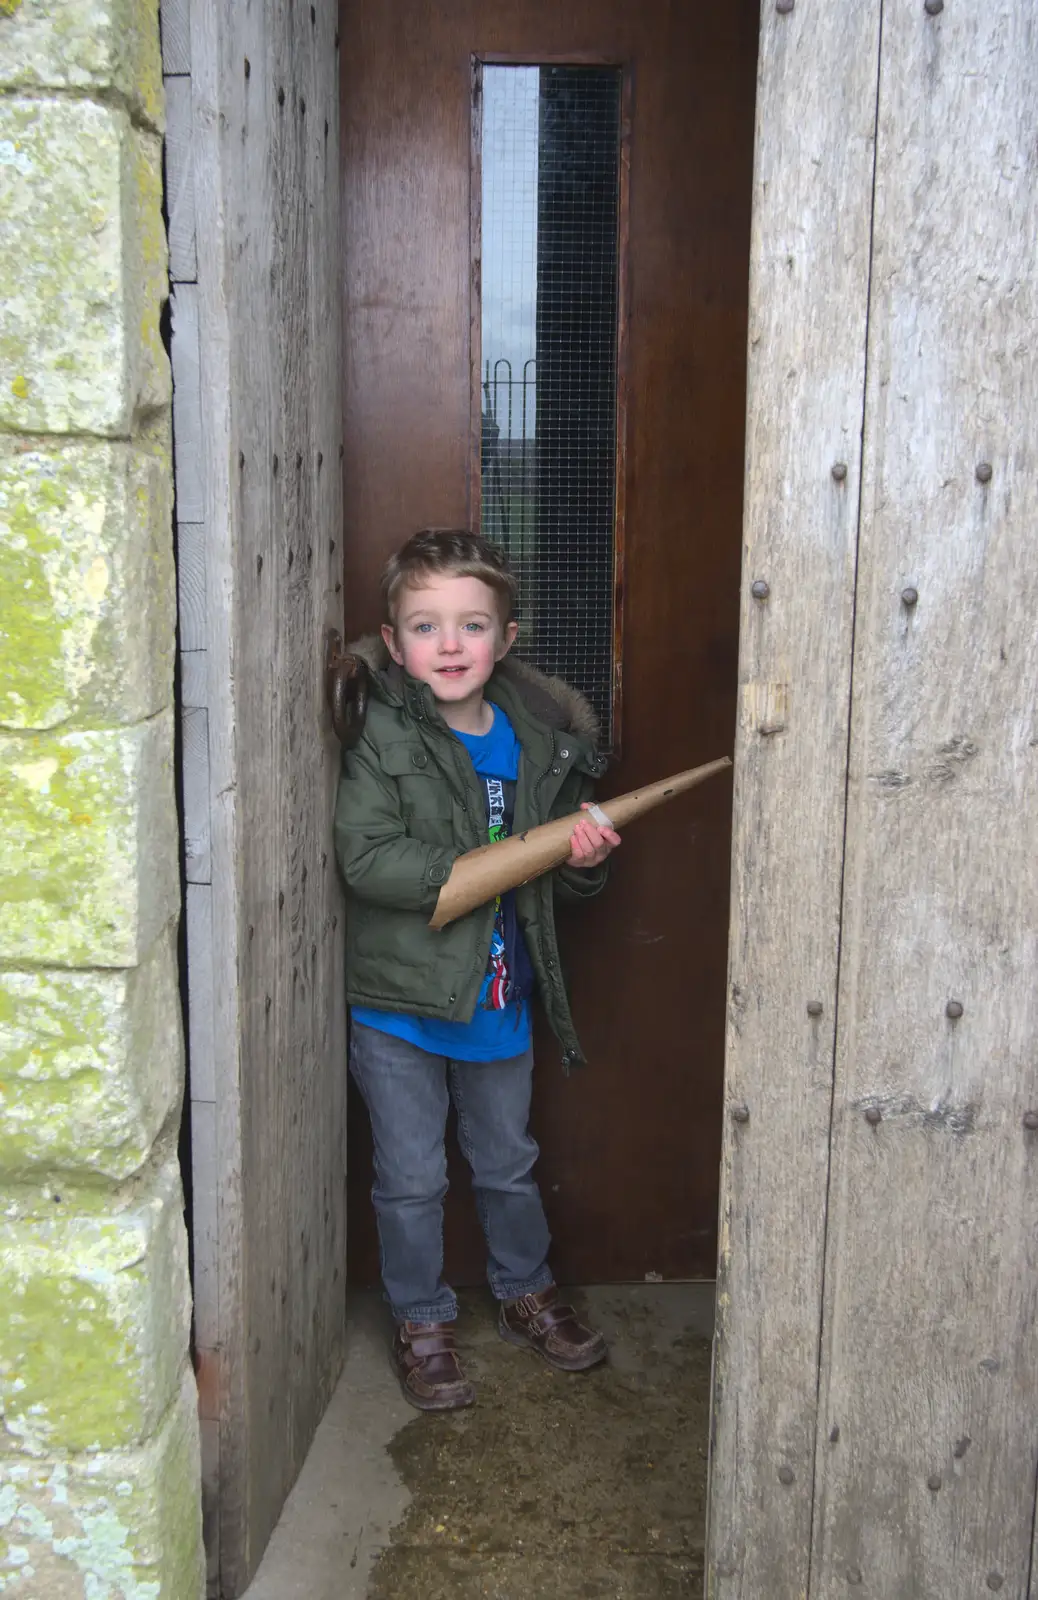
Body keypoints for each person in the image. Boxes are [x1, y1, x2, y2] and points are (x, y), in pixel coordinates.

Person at [334, 529, 621, 1410]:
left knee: (506, 1162)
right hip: (401, 1009)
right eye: (425, 626)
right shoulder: (383, 735)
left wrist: (582, 863)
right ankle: (422, 1319)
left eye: (471, 625)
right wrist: (467, 871)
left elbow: (564, 887)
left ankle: (524, 1291)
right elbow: (365, 859)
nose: (449, 645)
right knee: (412, 1178)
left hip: (500, 1003)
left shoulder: (539, 747)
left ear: (506, 638)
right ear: (394, 643)